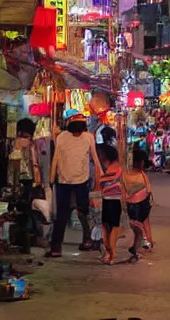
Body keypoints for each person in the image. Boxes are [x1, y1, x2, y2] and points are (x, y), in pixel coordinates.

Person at [49, 113, 102, 257]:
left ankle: (56, 248)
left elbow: (55, 159)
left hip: (64, 182)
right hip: (78, 182)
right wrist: (101, 176)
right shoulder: (88, 137)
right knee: (83, 212)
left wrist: (51, 178)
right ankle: (87, 241)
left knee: (63, 215)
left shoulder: (62, 137)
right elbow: (95, 158)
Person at [123, 148, 153, 260]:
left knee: (137, 227)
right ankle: (143, 244)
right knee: (141, 225)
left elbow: (125, 191)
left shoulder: (127, 175)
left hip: (133, 204)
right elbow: (149, 189)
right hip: (142, 203)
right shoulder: (142, 175)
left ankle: (141, 245)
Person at [99, 144, 122, 264]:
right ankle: (112, 254)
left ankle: (108, 253)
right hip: (115, 201)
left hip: (106, 201)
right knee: (114, 227)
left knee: (106, 227)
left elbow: (99, 187)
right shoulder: (119, 170)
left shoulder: (105, 171)